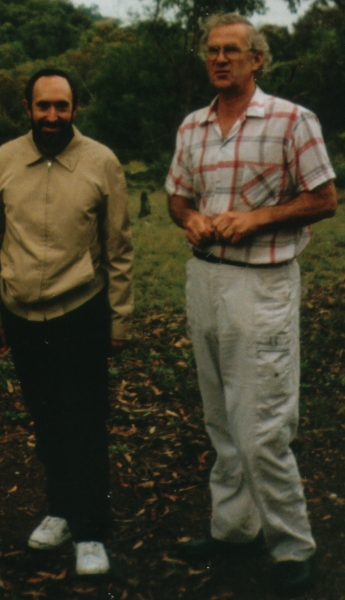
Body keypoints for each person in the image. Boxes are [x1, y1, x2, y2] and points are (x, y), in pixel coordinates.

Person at [166, 13, 336, 597]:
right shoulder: (193, 126)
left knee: (261, 423)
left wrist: (257, 218)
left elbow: (324, 198)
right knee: (220, 415)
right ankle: (234, 530)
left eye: (232, 50)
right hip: (205, 279)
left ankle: (292, 547)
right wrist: (190, 219)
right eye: (212, 51)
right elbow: (177, 197)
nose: (220, 59)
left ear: (257, 59)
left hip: (261, 283)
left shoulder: (292, 119)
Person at [0, 68, 134, 576]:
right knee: (46, 420)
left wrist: (119, 320)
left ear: (74, 109)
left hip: (80, 311)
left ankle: (91, 531)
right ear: (27, 108)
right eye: (42, 106)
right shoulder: (4, 160)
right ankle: (61, 510)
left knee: (84, 421)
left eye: (61, 106)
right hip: (21, 314)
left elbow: (119, 249)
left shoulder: (101, 161)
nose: (51, 115)